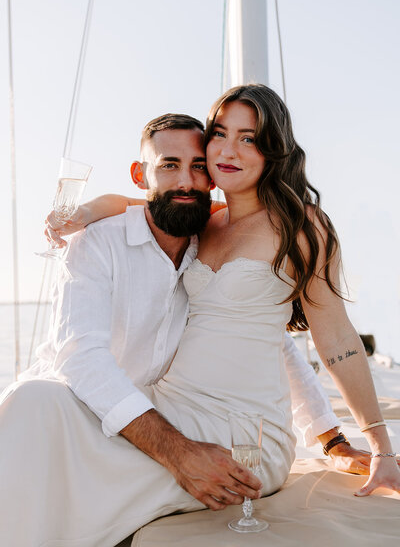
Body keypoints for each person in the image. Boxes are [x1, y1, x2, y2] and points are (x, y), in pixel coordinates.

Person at [0, 91, 395, 546]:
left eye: (248, 138)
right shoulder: (204, 221)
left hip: (242, 432)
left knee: (63, 473)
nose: (228, 150)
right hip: (168, 408)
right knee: (33, 400)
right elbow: (137, 203)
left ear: (273, 149)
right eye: (221, 135)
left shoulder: (302, 226)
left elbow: (336, 342)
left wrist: (358, 443)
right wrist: (86, 212)